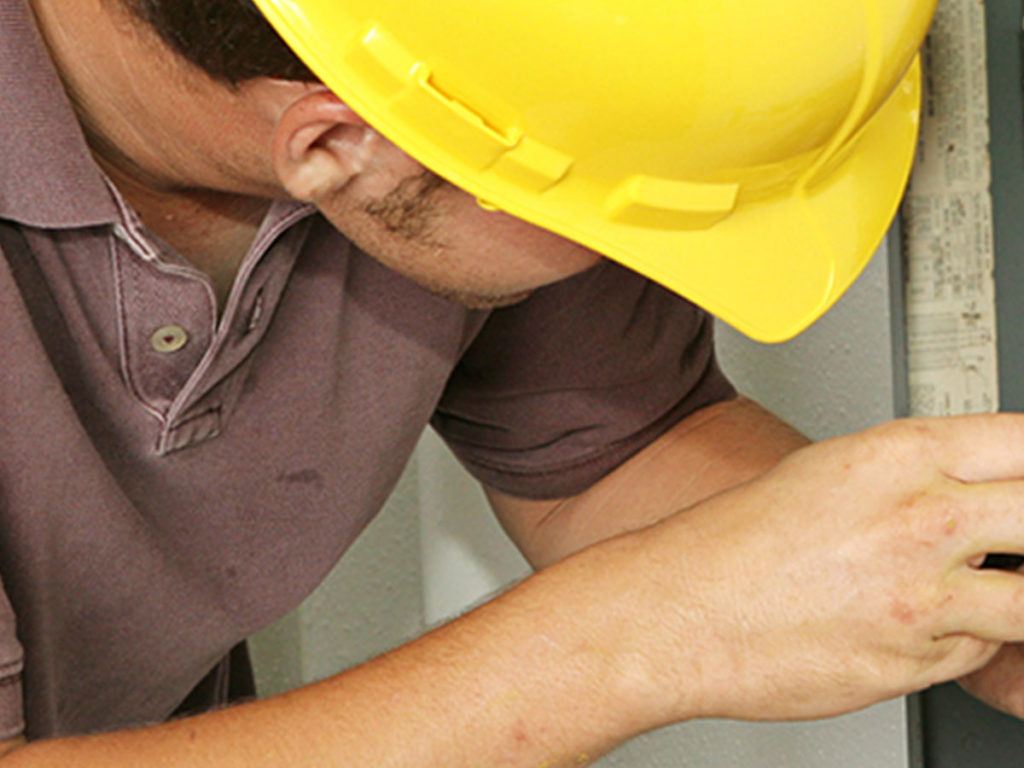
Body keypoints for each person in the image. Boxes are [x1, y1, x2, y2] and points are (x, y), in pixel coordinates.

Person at [1, 0, 1024, 765]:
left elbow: (612, 451)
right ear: (334, 142)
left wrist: (970, 589)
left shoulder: (461, 71)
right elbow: (660, 604)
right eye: (600, 210)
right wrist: (648, 631)